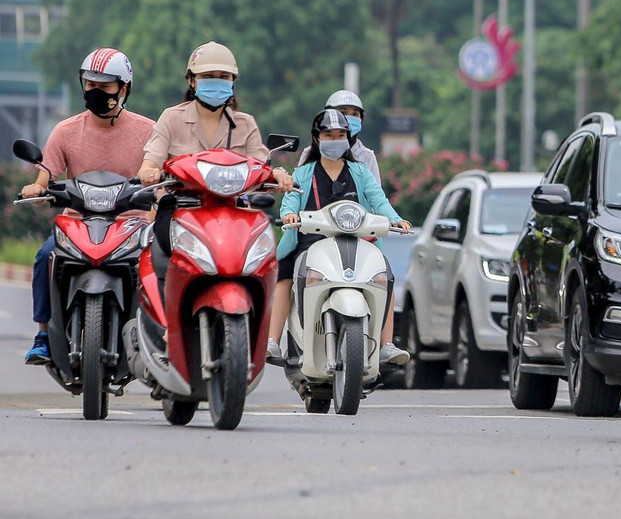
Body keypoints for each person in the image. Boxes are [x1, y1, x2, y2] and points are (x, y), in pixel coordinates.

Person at [21, 49, 155, 365]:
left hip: (132, 225)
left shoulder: (149, 132)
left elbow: (158, 182)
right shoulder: (66, 130)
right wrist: (35, 188)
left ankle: (157, 337)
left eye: (105, 86)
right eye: (90, 84)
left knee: (162, 264)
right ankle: (43, 334)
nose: (95, 92)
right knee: (44, 257)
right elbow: (45, 177)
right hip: (77, 223)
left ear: (124, 88)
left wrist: (153, 214)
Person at [266, 108, 412, 367]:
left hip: (357, 240)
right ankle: (273, 340)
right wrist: (289, 216)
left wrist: (395, 219)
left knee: (384, 274)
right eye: (329, 135)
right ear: (317, 138)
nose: (335, 140)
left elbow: (379, 200)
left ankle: (386, 343)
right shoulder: (302, 173)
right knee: (286, 272)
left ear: (348, 138)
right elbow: (290, 201)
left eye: (340, 135)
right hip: (310, 241)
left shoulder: (360, 172)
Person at [138, 41, 294, 192]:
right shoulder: (171, 118)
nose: (216, 81)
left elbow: (261, 169)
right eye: (208, 76)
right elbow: (150, 164)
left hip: (233, 208)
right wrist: (149, 172)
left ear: (233, 82)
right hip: (179, 207)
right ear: (192, 81)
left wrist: (277, 174)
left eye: (224, 77)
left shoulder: (245, 124)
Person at [298, 89, 380, 183]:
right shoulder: (310, 152)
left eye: (355, 114)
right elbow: (297, 188)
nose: (349, 118)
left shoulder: (367, 157)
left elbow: (375, 194)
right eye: (343, 112)